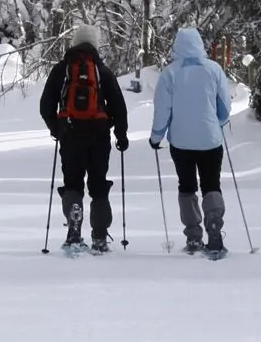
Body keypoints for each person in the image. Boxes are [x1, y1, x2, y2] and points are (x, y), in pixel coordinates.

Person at [39, 24, 130, 253]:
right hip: (99, 135)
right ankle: (99, 236)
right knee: (98, 186)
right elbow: (119, 107)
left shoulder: (62, 70)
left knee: (73, 183)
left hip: (70, 134)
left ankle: (74, 229)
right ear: (95, 44)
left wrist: (56, 128)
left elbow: (45, 105)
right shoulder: (102, 71)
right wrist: (120, 134)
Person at [148, 27, 234, 257]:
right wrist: (217, 123)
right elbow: (225, 106)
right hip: (210, 141)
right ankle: (214, 228)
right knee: (211, 184)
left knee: (186, 186)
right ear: (200, 44)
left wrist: (156, 137)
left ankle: (194, 237)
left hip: (181, 142)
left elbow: (162, 110)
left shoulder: (170, 73)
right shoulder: (213, 69)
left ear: (177, 46)